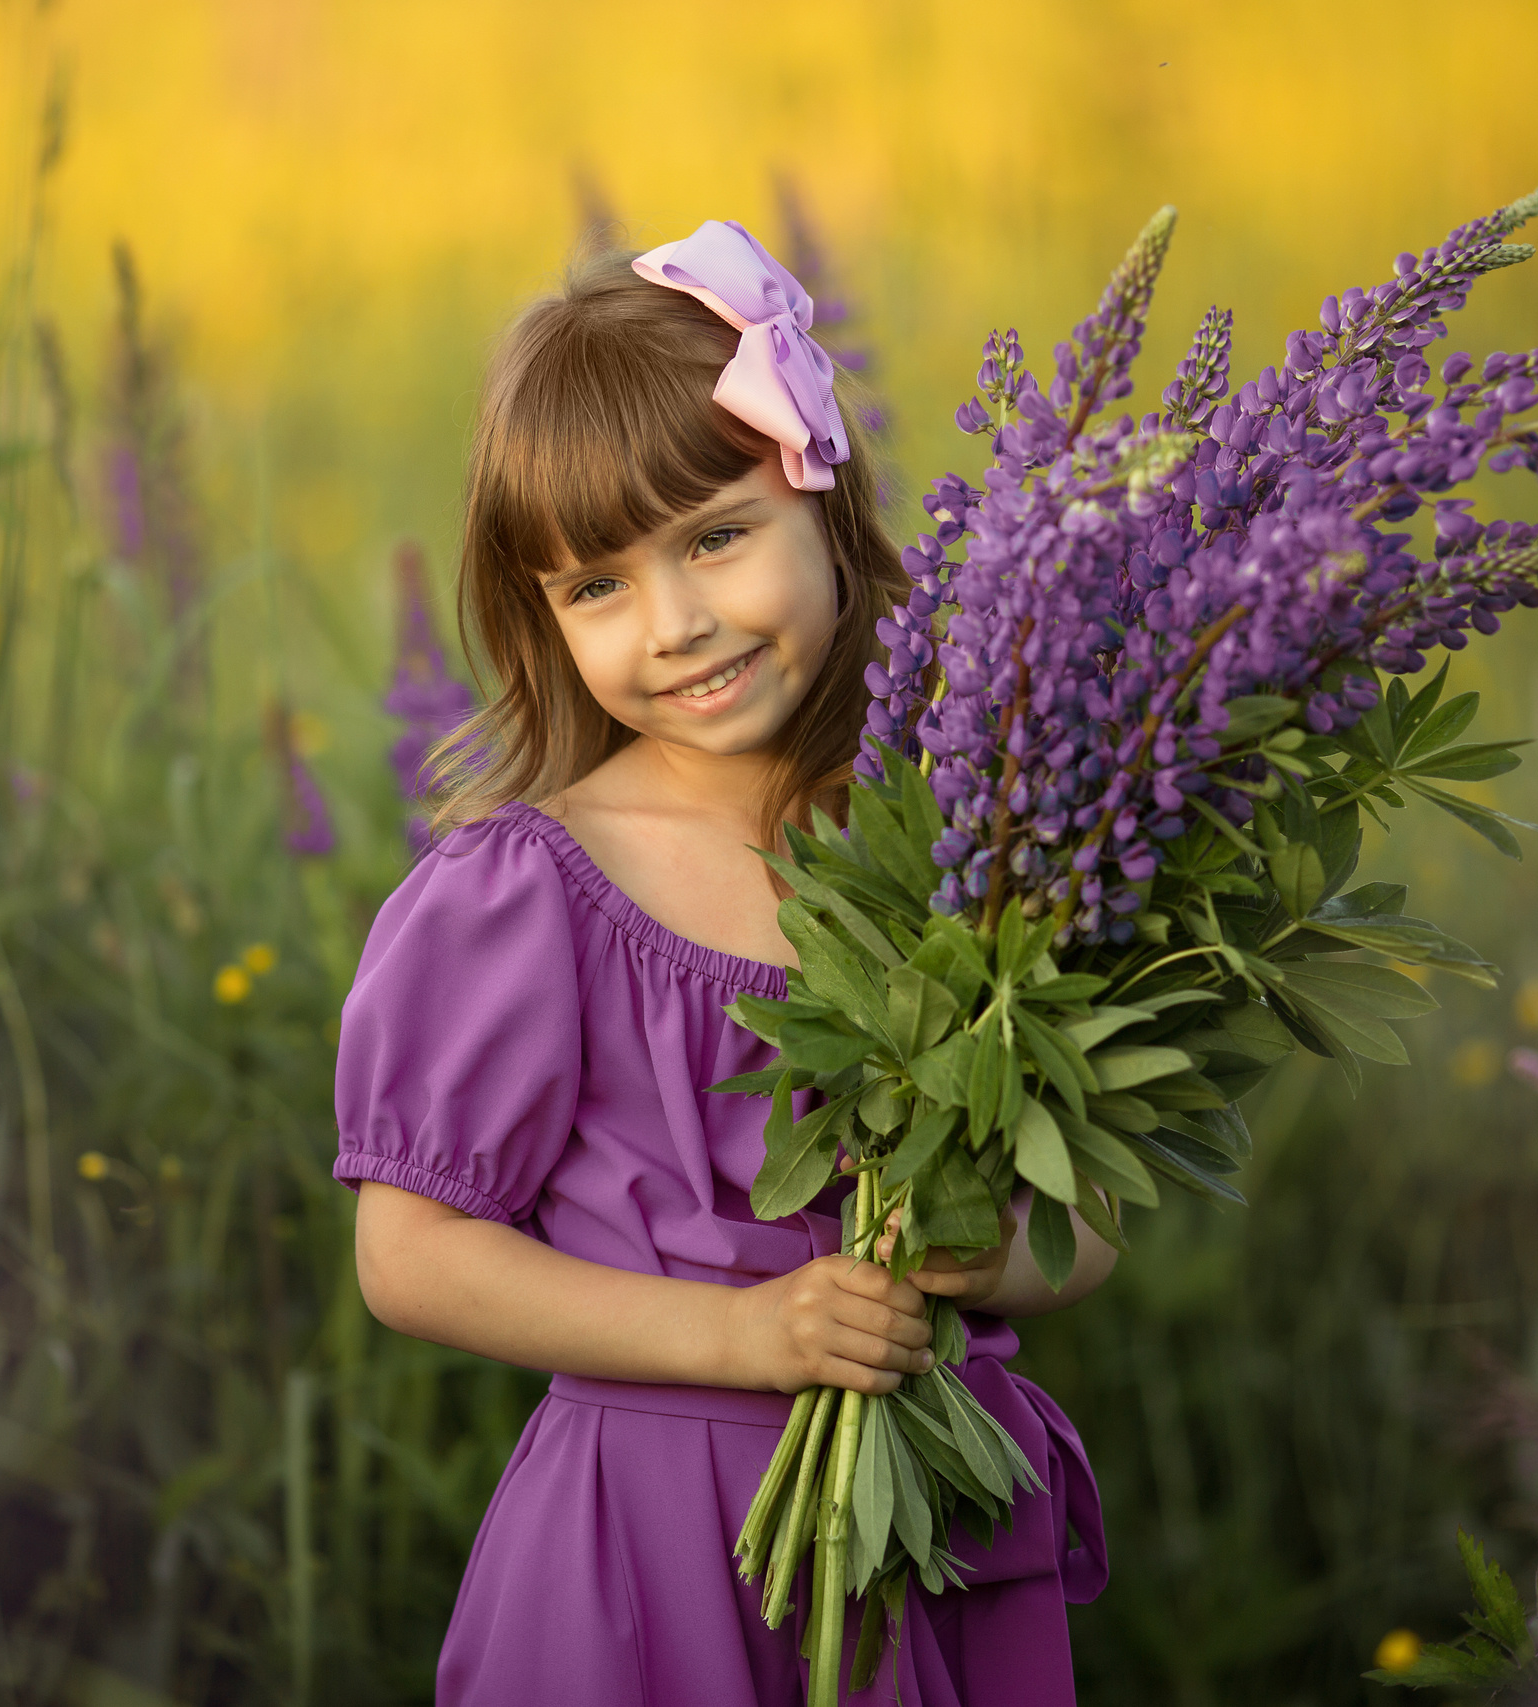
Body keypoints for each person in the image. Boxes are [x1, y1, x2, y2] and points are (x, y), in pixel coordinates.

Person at [333, 219, 1116, 1707]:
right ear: (540, 620)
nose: (676, 625)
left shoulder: (975, 843)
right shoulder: (534, 888)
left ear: (825, 501)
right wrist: (746, 1334)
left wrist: (989, 1254)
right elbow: (409, 1253)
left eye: (714, 538)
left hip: (925, 1514)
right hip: (648, 1541)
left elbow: (1091, 1224)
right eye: (595, 588)